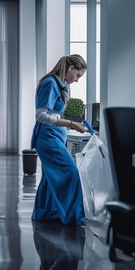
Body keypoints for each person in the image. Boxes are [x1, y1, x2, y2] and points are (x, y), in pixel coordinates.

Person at [31, 54, 87, 226]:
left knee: (49, 178)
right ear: (70, 68)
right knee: (71, 173)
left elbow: (55, 114)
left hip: (55, 137)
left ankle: (45, 213)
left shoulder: (61, 86)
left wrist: (75, 122)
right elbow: (41, 115)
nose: (77, 80)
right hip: (48, 139)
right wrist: (71, 123)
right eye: (77, 75)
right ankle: (74, 218)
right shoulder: (50, 83)